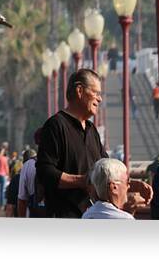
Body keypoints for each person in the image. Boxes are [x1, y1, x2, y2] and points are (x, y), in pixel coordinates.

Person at [37, 68, 152, 218]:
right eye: (96, 93)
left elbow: (106, 170)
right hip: (65, 217)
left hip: (93, 216)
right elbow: (44, 172)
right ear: (79, 90)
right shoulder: (56, 125)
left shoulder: (92, 130)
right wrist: (82, 181)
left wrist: (131, 184)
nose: (100, 99)